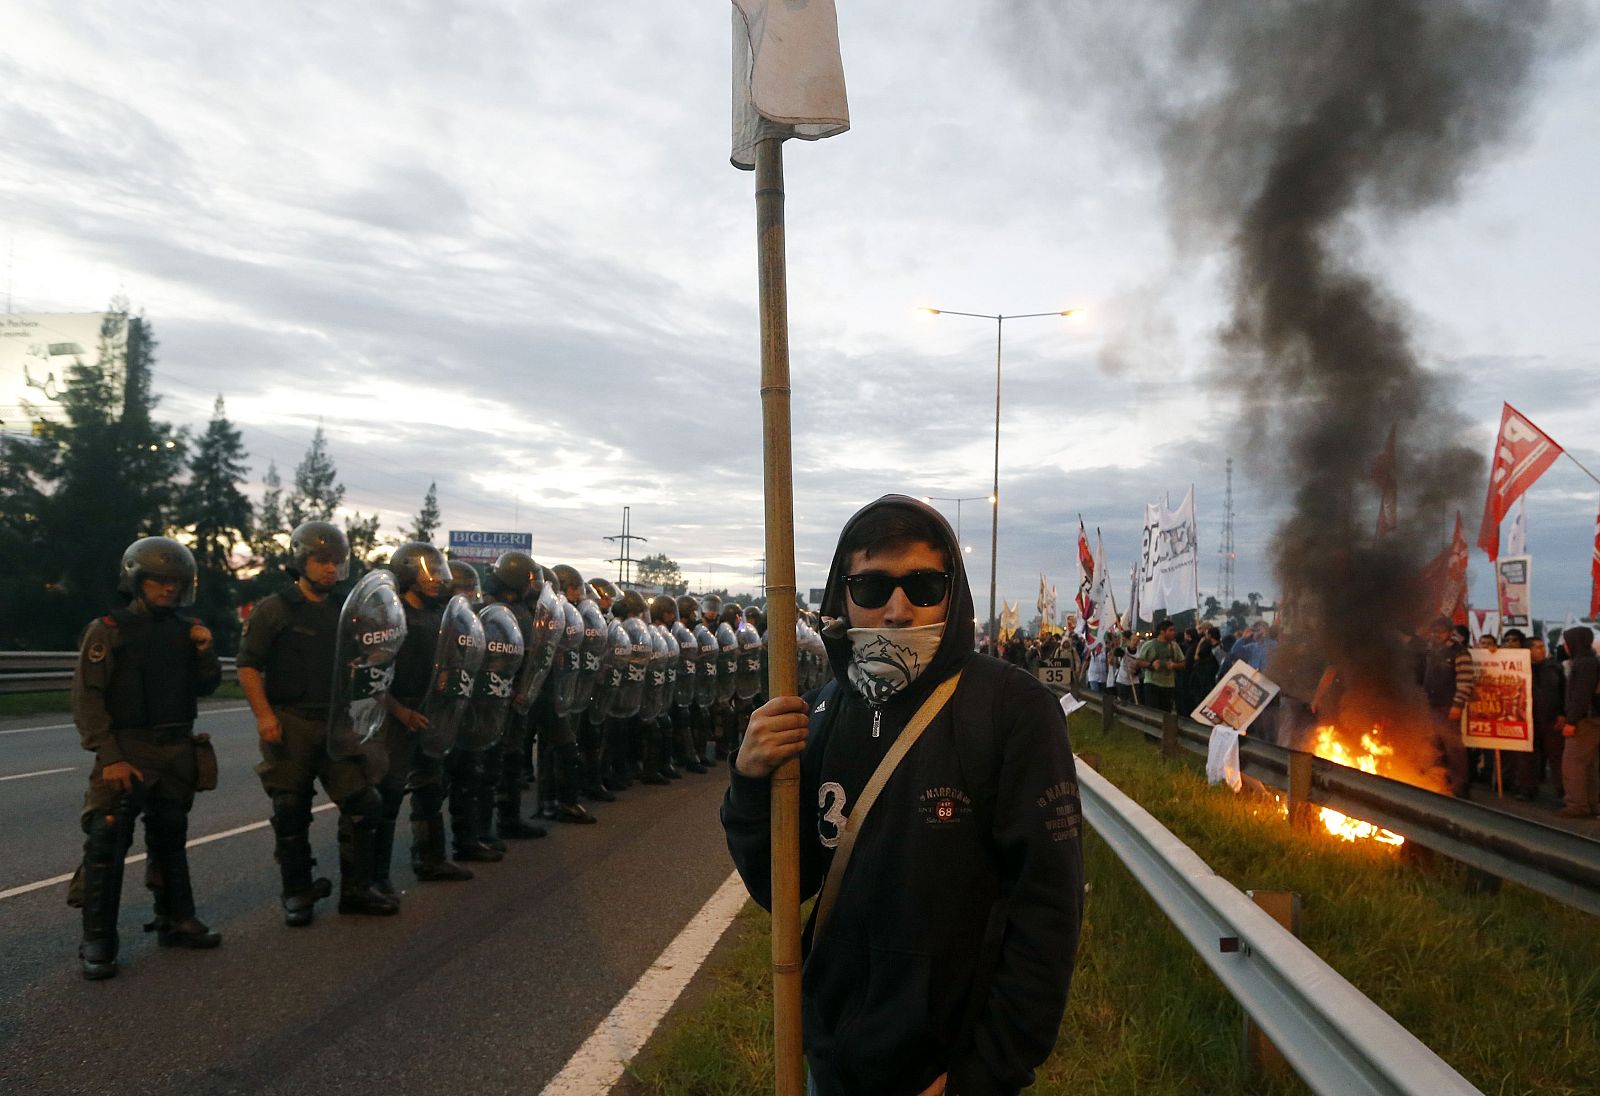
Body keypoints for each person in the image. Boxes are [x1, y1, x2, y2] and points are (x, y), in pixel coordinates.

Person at [723, 495, 1083, 1095]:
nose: (897, 611)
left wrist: (982, 1073)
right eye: (871, 588)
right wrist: (751, 783)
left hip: (949, 1067)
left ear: (952, 592)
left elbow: (1048, 911)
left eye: (923, 585)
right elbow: (781, 890)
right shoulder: (820, 712)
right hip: (831, 1058)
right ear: (841, 596)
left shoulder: (1011, 710)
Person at [71, 537, 224, 980]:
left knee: (171, 835)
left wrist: (204, 650)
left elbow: (207, 686)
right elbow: (88, 700)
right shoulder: (108, 630)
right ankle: (98, 940)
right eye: (158, 580)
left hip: (176, 746)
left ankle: (177, 920)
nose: (168, 589)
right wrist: (110, 756)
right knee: (107, 839)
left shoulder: (187, 629)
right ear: (136, 580)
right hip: (129, 746)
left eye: (175, 582)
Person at [241, 521, 398, 923]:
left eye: (336, 561)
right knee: (290, 808)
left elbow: (367, 661)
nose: (330, 568)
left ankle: (357, 890)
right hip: (291, 721)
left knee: (365, 804)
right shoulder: (275, 609)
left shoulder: (349, 611)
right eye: (321, 560)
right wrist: (264, 716)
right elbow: (248, 666)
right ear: (301, 561)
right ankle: (298, 894)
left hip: (337, 721)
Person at [374, 542, 475, 887]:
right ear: (406, 573)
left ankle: (431, 859)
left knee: (431, 789)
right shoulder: (391, 614)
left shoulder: (438, 616)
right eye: (426, 571)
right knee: (387, 794)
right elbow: (371, 673)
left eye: (438, 570)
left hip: (431, 710)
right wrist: (400, 711)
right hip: (395, 713)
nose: (435, 579)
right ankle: (376, 877)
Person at [1420, 616, 1476, 799]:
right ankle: (1438, 782)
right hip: (1431, 705)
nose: (1436, 635)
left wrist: (1457, 705)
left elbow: (1466, 682)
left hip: (1448, 706)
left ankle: (1460, 786)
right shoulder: (1431, 651)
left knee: (1454, 748)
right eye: (1434, 631)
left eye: (1440, 631)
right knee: (1434, 745)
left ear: (1449, 632)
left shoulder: (1459, 653)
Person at [1555, 626, 1599, 819]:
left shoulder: (1584, 663)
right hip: (1591, 719)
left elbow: (1581, 695)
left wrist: (1571, 720)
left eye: (1567, 642)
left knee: (1573, 763)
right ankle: (1589, 802)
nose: (1565, 646)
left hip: (1584, 721)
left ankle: (1577, 805)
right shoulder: (1590, 661)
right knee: (1588, 764)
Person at [1135, 619, 1186, 712]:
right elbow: (1138, 661)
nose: (1173, 633)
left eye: (1174, 630)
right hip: (1152, 683)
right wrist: (1151, 665)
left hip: (1169, 685)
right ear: (1162, 632)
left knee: (1166, 713)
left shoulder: (1174, 646)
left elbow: (1183, 663)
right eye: (1171, 630)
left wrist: (1174, 665)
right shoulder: (1149, 645)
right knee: (1153, 713)